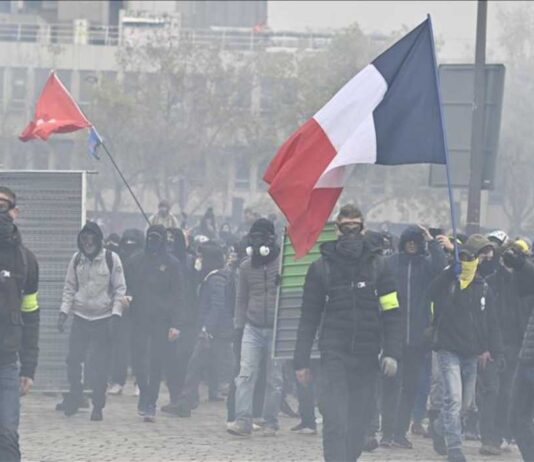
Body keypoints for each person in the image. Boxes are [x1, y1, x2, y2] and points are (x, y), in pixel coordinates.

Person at [293, 204, 403, 461]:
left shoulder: (380, 267)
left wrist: (392, 353)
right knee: (335, 419)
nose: (351, 233)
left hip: (367, 356)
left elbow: (392, 312)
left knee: (359, 422)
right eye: (346, 228)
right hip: (334, 354)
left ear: (363, 229)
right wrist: (300, 362)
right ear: (337, 230)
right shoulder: (321, 268)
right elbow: (308, 317)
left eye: (356, 227)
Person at [428, 234, 503, 462]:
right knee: (454, 400)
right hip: (448, 348)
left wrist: (491, 348)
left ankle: (440, 427)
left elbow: (490, 321)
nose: (482, 259)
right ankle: (455, 448)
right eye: (478, 254)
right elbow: (431, 293)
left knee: (466, 405)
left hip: (472, 352)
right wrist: (453, 267)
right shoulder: (450, 276)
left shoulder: (483, 286)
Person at [380, 225, 448, 449]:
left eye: (415, 241)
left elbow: (442, 269)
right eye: (409, 241)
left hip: (418, 337)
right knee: (390, 386)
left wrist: (432, 242)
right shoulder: (390, 263)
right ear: (403, 243)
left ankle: (400, 432)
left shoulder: (426, 265)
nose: (412, 244)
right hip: (393, 335)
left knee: (410, 387)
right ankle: (387, 432)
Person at [58, 222, 126, 421]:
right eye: (84, 240)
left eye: (91, 240)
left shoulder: (111, 259)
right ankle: (76, 393)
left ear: (98, 241)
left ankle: (98, 404)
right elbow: (69, 287)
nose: (88, 244)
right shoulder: (76, 259)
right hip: (80, 317)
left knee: (98, 365)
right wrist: (63, 312)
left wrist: (115, 315)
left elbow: (120, 289)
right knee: (73, 359)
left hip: (103, 319)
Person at [227, 218, 283, 437]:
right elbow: (241, 300)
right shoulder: (245, 267)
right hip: (252, 327)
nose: (257, 242)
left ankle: (271, 422)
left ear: (270, 239)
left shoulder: (284, 263)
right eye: (254, 237)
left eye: (261, 237)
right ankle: (243, 421)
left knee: (274, 379)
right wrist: (238, 327)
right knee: (245, 375)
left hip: (277, 329)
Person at [126, 225, 185, 422]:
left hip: (161, 320)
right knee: (138, 360)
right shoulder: (136, 260)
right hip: (139, 318)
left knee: (156, 361)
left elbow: (178, 295)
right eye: (150, 238)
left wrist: (176, 324)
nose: (152, 242)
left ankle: (151, 400)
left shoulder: (172, 264)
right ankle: (143, 390)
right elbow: (127, 286)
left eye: (156, 239)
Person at [481, 240, 532, 456]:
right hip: (500, 345)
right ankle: (489, 437)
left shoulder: (523, 279)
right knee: (493, 391)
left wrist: (521, 266)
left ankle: (499, 436)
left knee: (508, 396)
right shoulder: (492, 282)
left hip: (520, 345)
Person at [0, 186, 39, 462]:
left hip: (7, 366)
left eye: (4, 206)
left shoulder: (27, 260)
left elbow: (31, 315)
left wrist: (29, 367)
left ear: (15, 211)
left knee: (7, 437)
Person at [175, 243, 235, 417]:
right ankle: (186, 402)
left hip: (214, 333)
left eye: (201, 257)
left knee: (228, 370)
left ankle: (241, 407)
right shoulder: (212, 277)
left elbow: (217, 306)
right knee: (196, 366)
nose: (198, 260)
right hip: (213, 332)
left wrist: (206, 328)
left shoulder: (216, 279)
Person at [498, 243, 534, 461]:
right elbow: (522, 289)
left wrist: (522, 264)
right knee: (516, 418)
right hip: (528, 357)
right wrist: (518, 267)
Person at [108, 229, 145, 396]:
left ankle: (140, 380)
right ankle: (118, 380)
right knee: (120, 346)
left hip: (141, 308)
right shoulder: (118, 259)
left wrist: (134, 296)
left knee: (140, 345)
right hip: (121, 307)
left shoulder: (145, 260)